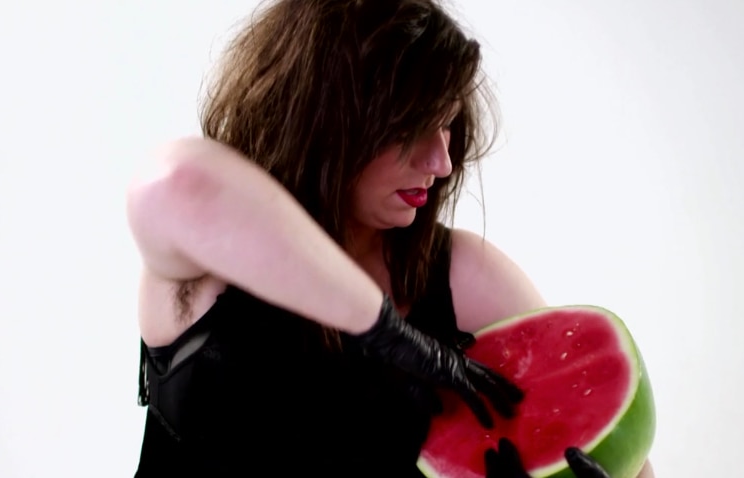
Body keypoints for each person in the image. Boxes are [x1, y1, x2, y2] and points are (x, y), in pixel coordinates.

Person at [125, 0, 656, 476]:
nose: (441, 162)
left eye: (447, 125)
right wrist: (384, 331)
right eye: (409, 130)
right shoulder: (204, 275)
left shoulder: (463, 278)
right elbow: (175, 181)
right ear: (323, 123)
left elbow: (632, 466)